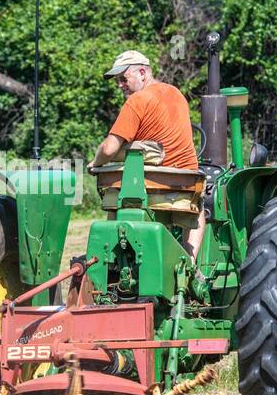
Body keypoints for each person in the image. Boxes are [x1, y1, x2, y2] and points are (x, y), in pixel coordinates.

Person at [89, 49, 208, 256]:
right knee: (199, 209)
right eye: (117, 80)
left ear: (142, 73)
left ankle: (112, 259)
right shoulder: (177, 94)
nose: (120, 85)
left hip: (152, 186)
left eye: (123, 79)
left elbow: (109, 148)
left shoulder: (137, 100)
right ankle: (190, 261)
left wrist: (95, 163)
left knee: (116, 193)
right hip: (186, 185)